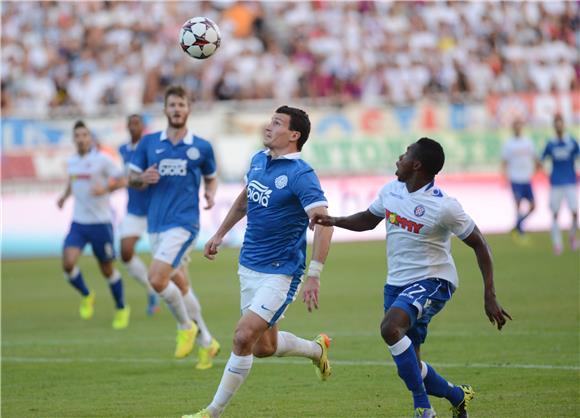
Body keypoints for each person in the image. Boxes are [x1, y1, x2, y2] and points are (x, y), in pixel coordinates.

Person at [310, 138, 512, 418]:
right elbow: (368, 220)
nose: (398, 159)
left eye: (404, 155)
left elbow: (480, 244)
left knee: (390, 328)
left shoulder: (444, 206)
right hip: (396, 284)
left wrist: (489, 294)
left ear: (416, 164)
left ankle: (423, 409)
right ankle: (458, 395)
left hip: (434, 280)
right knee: (410, 369)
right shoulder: (391, 190)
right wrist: (335, 221)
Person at [183, 106, 334, 418]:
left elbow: (324, 222)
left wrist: (315, 274)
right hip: (249, 264)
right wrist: (220, 233)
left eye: (277, 123)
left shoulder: (301, 175)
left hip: (281, 272)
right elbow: (246, 199)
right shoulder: (257, 160)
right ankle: (316, 350)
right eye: (270, 121)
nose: (269, 126)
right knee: (263, 347)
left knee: (242, 337)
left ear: (294, 135)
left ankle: (212, 412)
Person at [128, 86, 220, 369]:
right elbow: (131, 179)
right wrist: (143, 177)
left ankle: (185, 327)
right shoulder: (148, 143)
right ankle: (208, 341)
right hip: (155, 224)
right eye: (172, 105)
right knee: (179, 282)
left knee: (156, 279)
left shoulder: (201, 147)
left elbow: (211, 177)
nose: (177, 109)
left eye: (182, 104)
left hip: (184, 223)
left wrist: (210, 193)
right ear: (165, 109)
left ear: (188, 109)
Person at [57, 120, 130, 330]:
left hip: (101, 223)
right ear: (73, 139)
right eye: (77, 136)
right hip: (78, 223)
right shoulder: (71, 162)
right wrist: (64, 197)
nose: (81, 139)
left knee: (107, 269)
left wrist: (106, 188)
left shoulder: (102, 160)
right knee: (68, 263)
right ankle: (87, 294)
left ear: (90, 138)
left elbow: (123, 180)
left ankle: (121, 307)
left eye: (84, 135)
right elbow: (73, 182)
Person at [118, 114, 160, 316]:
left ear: (143, 126)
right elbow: (122, 177)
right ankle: (150, 289)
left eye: (137, 123)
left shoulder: (151, 149)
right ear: (127, 126)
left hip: (154, 210)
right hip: (134, 210)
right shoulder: (122, 150)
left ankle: (171, 294)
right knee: (125, 252)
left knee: (162, 258)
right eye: (131, 123)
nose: (134, 127)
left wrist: (142, 180)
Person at [541, 113, 579, 255]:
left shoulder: (572, 142)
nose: (558, 125)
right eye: (556, 123)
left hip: (570, 181)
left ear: (564, 124)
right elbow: (542, 159)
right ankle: (557, 243)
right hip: (556, 183)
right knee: (555, 213)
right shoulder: (550, 144)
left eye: (560, 122)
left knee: (575, 212)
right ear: (554, 125)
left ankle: (572, 236)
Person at [501, 119, 540, 240]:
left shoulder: (527, 142)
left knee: (533, 206)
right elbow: (504, 162)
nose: (518, 128)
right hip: (515, 178)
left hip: (526, 178)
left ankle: (518, 225)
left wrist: (537, 168)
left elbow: (535, 158)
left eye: (519, 126)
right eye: (515, 126)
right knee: (518, 204)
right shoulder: (509, 144)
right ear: (513, 128)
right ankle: (520, 231)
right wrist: (504, 177)